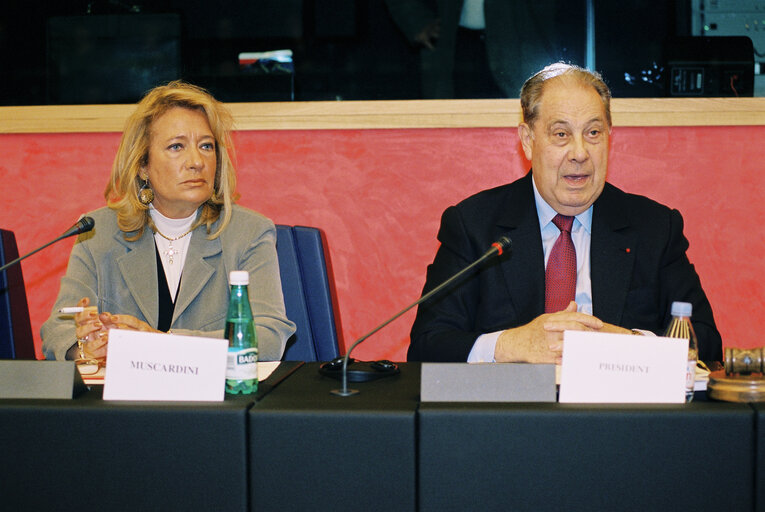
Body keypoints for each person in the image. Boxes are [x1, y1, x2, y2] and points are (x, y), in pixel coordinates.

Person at [408, 62, 722, 364]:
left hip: (616, 413)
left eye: (593, 133)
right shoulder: (474, 225)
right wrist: (512, 344)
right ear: (528, 141)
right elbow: (427, 344)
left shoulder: (654, 227)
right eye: (561, 134)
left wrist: (628, 344)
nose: (580, 153)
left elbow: (707, 343)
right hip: (512, 413)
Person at [42, 81, 295, 361]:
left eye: (206, 146)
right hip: (123, 401)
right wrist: (84, 348)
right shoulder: (98, 232)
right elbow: (58, 329)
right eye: (177, 146)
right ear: (142, 165)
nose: (197, 161)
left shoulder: (247, 232)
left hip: (213, 401)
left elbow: (268, 336)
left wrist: (163, 343)